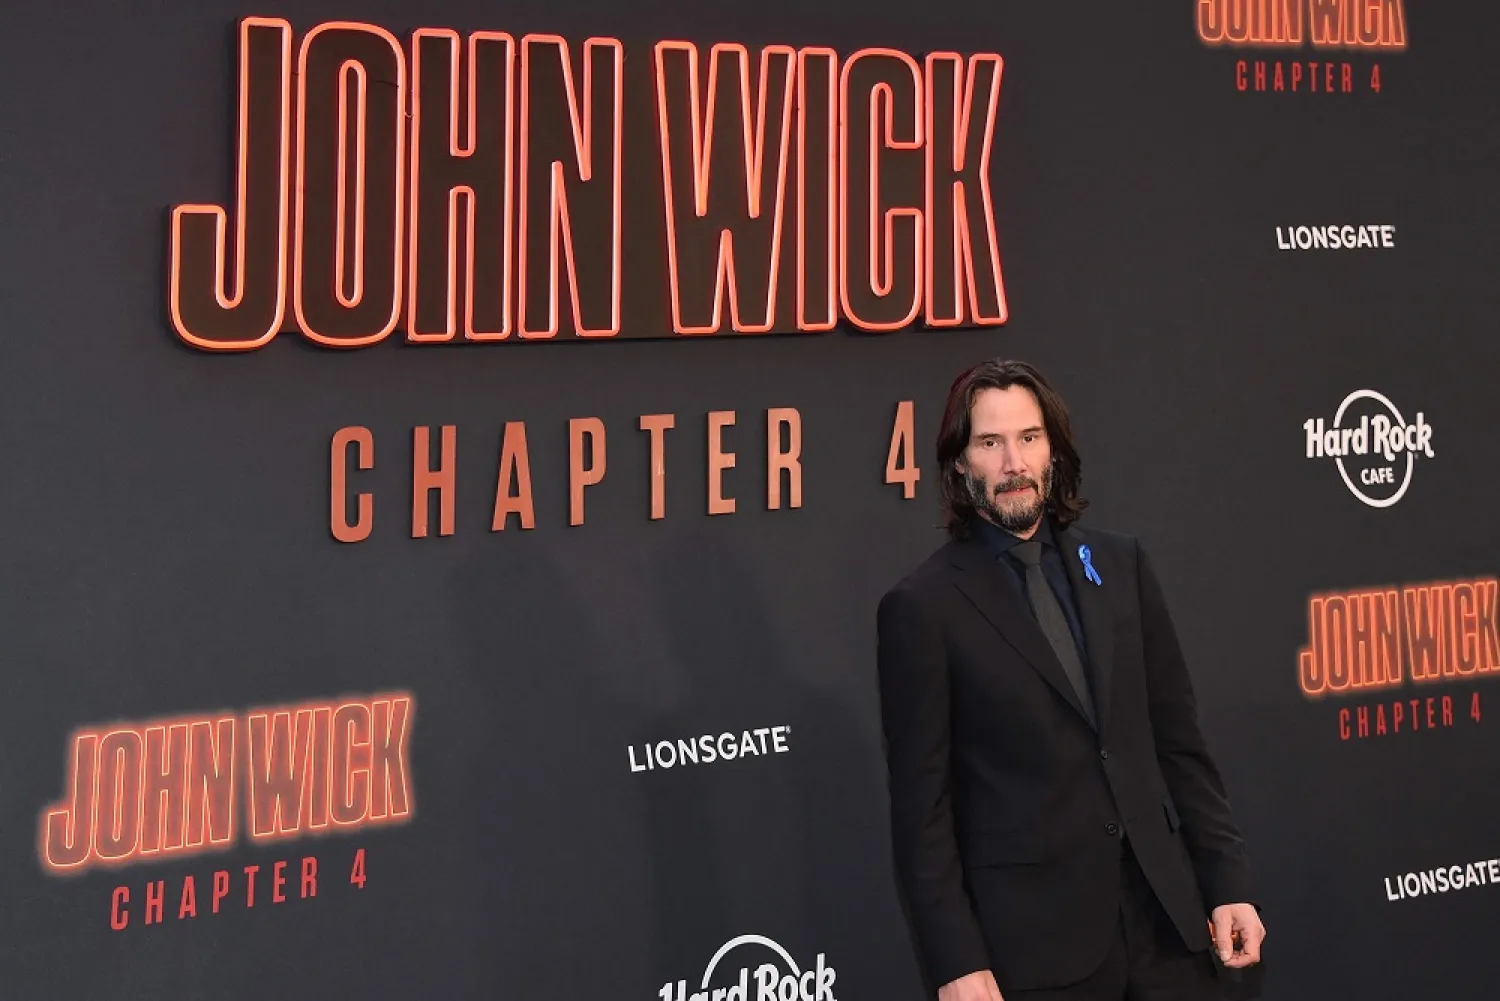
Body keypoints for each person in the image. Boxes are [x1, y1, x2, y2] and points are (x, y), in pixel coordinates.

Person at [877, 359, 1265, 1001]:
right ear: (959, 463)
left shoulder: (1120, 564)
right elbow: (924, 811)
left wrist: (1227, 883)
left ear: (1053, 449)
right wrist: (954, 962)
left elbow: (1179, 746)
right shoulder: (923, 607)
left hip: (1167, 927)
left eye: (1029, 438)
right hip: (1035, 953)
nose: (1013, 462)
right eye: (990, 442)